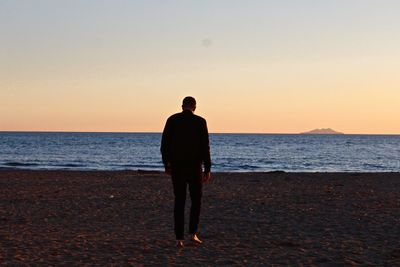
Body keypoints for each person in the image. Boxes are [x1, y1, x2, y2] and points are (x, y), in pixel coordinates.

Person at [161, 96, 212, 248]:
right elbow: (205, 147)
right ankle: (193, 234)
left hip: (177, 167)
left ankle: (179, 239)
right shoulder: (200, 122)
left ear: (182, 106)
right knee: (196, 200)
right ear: (194, 107)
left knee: (179, 201)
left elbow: (164, 145)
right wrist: (207, 168)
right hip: (195, 167)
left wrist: (167, 165)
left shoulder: (172, 120)